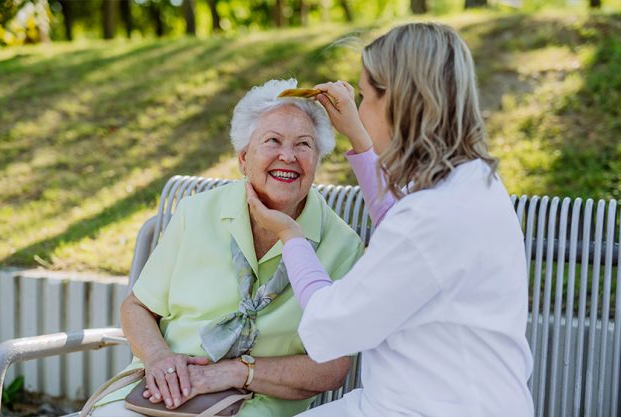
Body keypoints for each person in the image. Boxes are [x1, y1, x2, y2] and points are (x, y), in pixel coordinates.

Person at [246, 22, 534, 417]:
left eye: (365, 95)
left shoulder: (433, 217)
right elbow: (400, 219)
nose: (360, 110)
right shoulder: (474, 182)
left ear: (398, 101)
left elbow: (330, 327)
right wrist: (359, 137)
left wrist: (291, 236)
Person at [89, 79, 365, 417]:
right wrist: (159, 358)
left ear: (317, 159)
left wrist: (239, 372)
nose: (288, 156)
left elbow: (333, 367)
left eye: (303, 145)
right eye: (273, 141)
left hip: (258, 401)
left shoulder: (343, 245)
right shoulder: (197, 212)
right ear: (244, 158)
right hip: (161, 389)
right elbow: (137, 307)